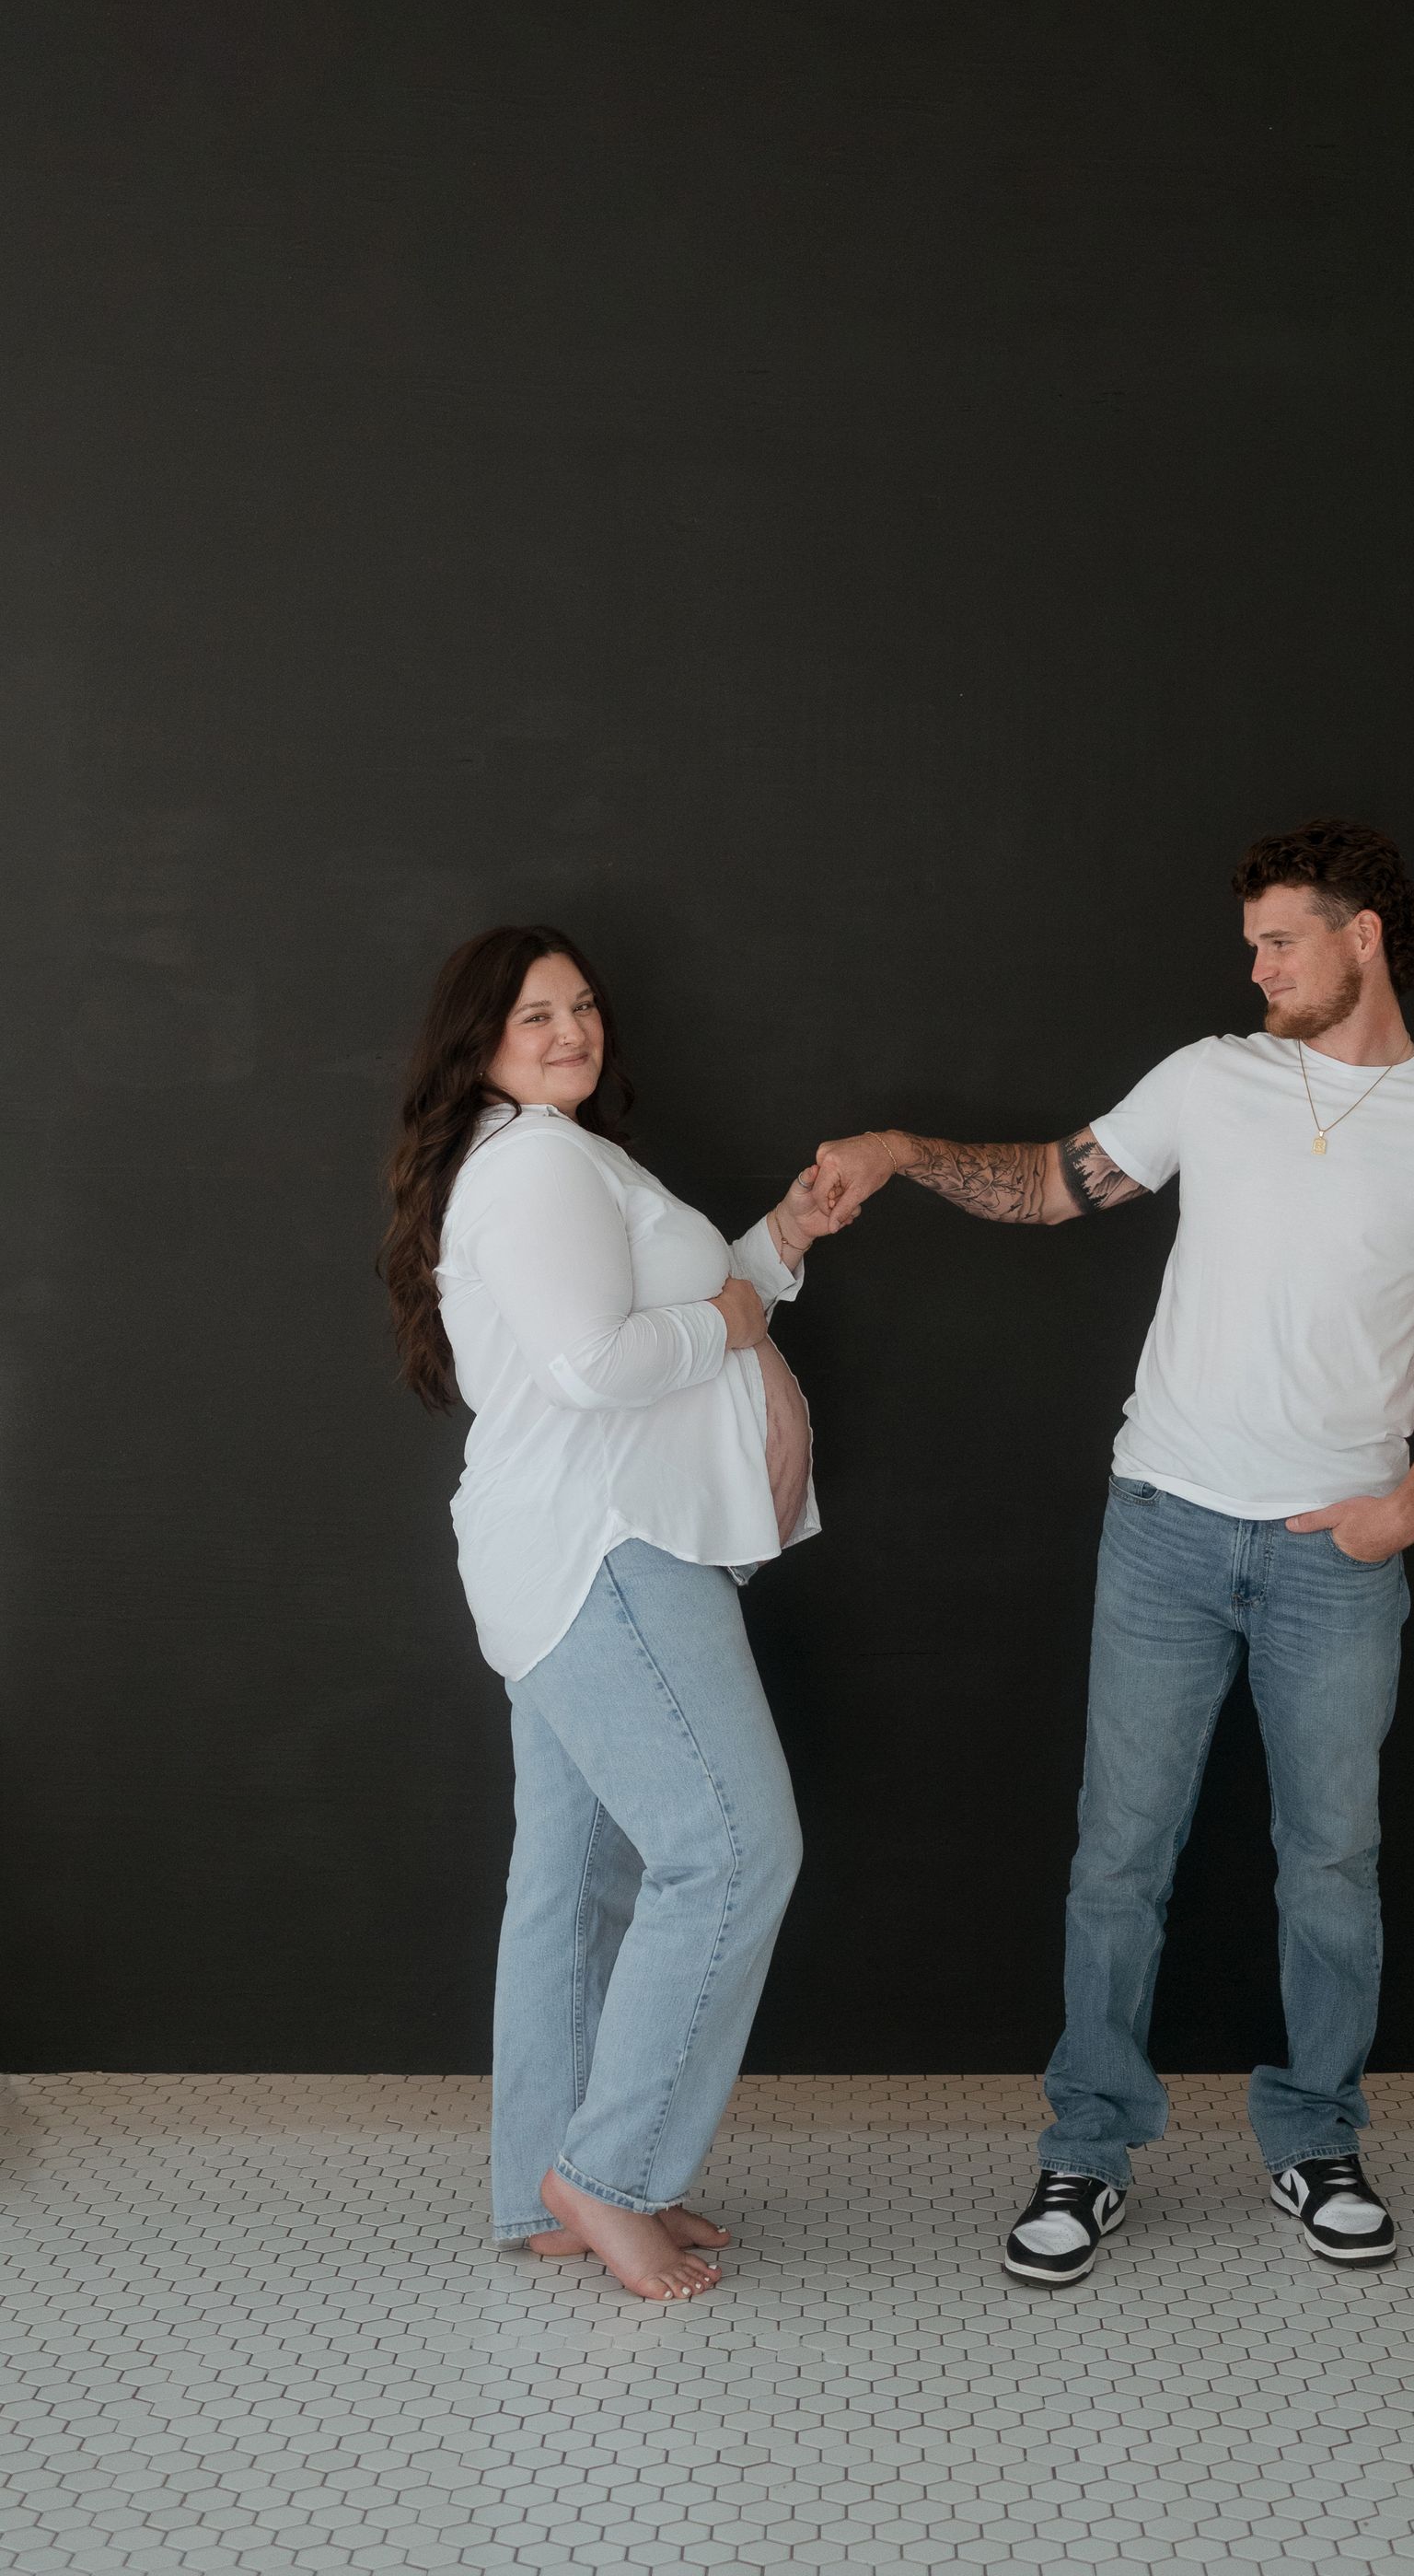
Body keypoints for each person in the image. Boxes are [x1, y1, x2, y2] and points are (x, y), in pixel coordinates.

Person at [810, 820, 1414, 2280]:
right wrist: (895, 1150)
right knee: (1119, 1857)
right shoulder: (1214, 1077)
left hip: (1339, 1552)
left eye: (1280, 939)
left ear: (1362, 938)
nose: (1256, 964)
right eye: (1253, 943)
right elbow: (1055, 1181)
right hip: (1164, 1534)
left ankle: (1317, 2138)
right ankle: (1084, 2152)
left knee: (1331, 1859)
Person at [382, 924, 842, 2302]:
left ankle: (545, 2188)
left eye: (582, 1006)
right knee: (732, 1849)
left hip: (573, 1552)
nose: (570, 1030)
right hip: (608, 1554)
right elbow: (599, 1364)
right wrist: (739, 1326)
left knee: (579, 1881)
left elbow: (685, 1300)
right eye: (536, 1015)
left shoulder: (554, 1156)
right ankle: (611, 2171)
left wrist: (785, 1244)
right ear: (482, 1039)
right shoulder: (531, 1164)